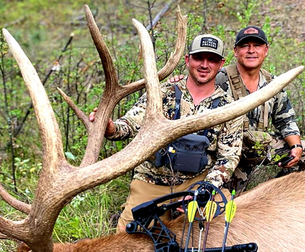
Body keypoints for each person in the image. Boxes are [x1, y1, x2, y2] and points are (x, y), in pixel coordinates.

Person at [90, 34, 244, 233]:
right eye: (199, 58)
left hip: (196, 182)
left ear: (221, 63)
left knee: (224, 230)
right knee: (127, 240)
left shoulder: (229, 108)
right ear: (188, 60)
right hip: (152, 181)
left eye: (212, 59)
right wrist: (111, 128)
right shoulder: (162, 93)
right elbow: (129, 124)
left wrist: (204, 190)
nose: (205, 65)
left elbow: (228, 157)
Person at [171, 26, 305, 195]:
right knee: (226, 207)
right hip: (224, 152)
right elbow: (194, 84)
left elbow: (286, 121)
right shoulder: (218, 77)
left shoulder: (273, 83)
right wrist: (179, 81)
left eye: (256, 45)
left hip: (257, 148)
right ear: (235, 51)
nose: (251, 51)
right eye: (245, 46)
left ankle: (271, 195)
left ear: (266, 50)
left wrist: (296, 146)